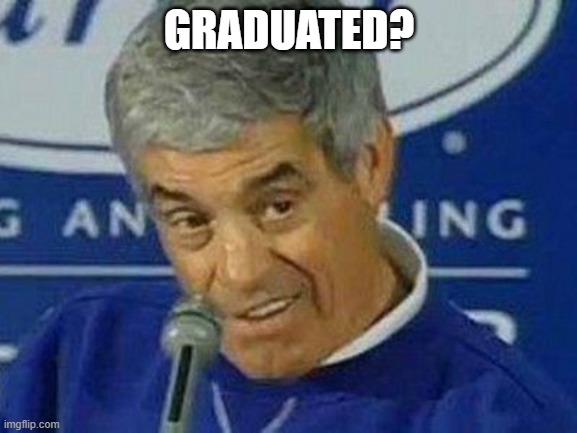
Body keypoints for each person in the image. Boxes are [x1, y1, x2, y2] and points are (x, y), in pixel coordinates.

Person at [2, 0, 576, 431]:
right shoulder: (77, 355)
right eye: (191, 221)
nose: (241, 272)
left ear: (369, 164)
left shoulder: (501, 417)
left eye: (277, 207)